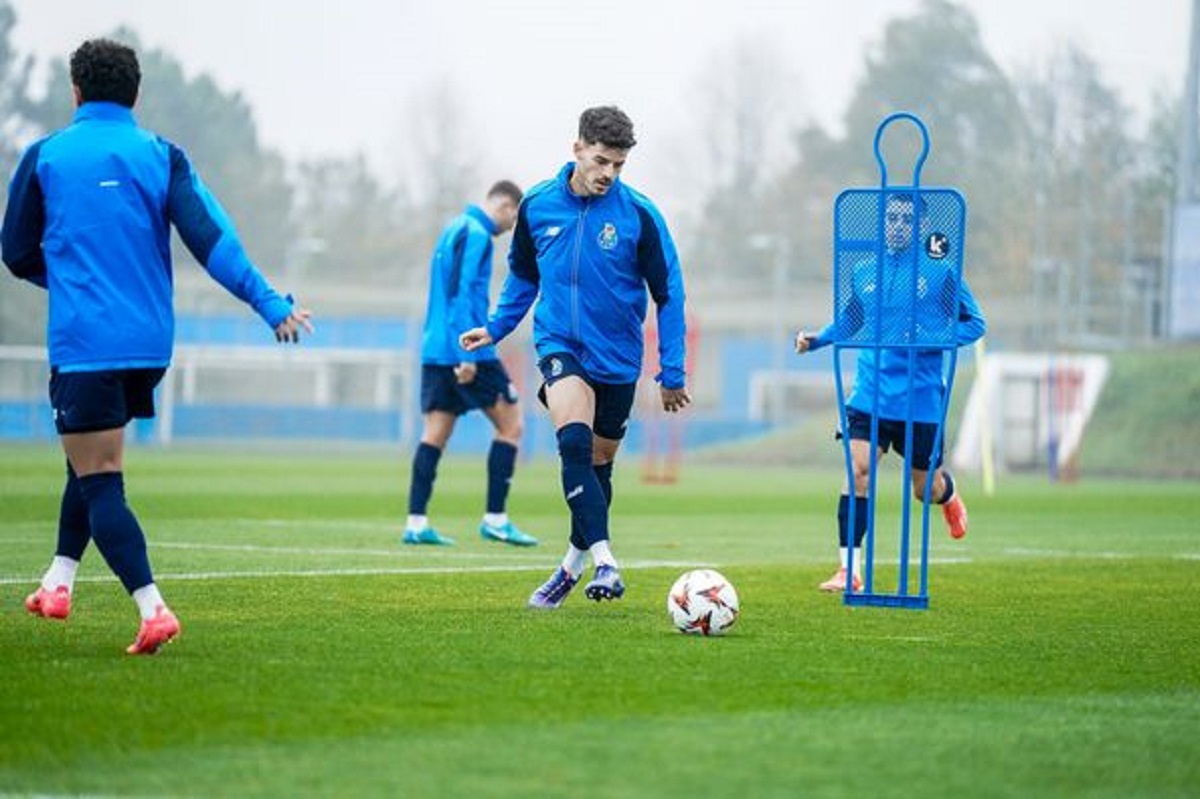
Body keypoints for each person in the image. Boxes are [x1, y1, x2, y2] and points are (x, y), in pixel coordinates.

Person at [2, 38, 313, 654]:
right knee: (87, 461)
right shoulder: (160, 154)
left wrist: (66, 275)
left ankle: (153, 609)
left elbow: (13, 253)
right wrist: (270, 303)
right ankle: (58, 582)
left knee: (100, 480)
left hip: (85, 345)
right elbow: (211, 241)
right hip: (148, 349)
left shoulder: (44, 157)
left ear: (76, 91)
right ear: (136, 94)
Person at [460, 105, 691, 608]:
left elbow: (668, 293)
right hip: (560, 343)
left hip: (619, 359)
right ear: (578, 149)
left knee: (598, 462)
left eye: (619, 165)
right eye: (602, 160)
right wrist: (498, 327)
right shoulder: (539, 206)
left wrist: (671, 370)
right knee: (573, 442)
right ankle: (607, 560)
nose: (608, 173)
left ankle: (570, 567)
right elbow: (523, 274)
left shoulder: (640, 216)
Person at [794, 191, 986, 592]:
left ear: (920, 226)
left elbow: (974, 323)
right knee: (857, 471)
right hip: (870, 394)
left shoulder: (940, 271)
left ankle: (948, 496)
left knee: (924, 489)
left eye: (906, 220)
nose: (897, 226)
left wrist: (931, 337)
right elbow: (852, 320)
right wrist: (817, 340)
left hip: (920, 399)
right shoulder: (865, 271)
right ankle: (850, 571)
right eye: (891, 218)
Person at [403, 180, 538, 548]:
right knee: (512, 425)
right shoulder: (477, 233)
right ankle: (495, 519)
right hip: (468, 347)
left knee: (435, 433)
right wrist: (466, 354)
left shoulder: (453, 228)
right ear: (507, 206)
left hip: (435, 347)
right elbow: (461, 294)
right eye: (514, 218)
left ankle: (416, 522)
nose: (513, 227)